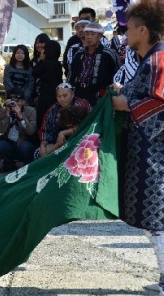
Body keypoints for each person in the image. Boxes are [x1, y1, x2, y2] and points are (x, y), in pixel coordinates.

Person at [111, 0, 164, 294]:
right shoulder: (150, 59)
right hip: (147, 152)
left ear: (142, 30)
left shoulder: (159, 60)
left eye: (129, 28)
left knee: (158, 220)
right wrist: (124, 91)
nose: (124, 33)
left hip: (156, 154)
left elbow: (159, 103)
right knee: (154, 220)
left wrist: (125, 103)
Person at [67, 22, 120, 107]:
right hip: (79, 92)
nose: (89, 37)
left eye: (93, 34)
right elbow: (71, 74)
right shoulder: (79, 53)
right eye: (87, 34)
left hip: (99, 94)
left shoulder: (108, 54)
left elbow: (118, 74)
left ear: (99, 36)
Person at [37, 83, 91, 158]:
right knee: (38, 153)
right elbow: (46, 131)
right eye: (59, 96)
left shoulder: (83, 104)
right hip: (57, 145)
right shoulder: (53, 110)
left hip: (80, 143)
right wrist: (43, 145)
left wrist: (64, 132)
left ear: (72, 94)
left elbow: (88, 124)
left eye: (65, 95)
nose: (62, 99)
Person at [0, 92, 36, 173]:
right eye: (12, 101)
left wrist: (20, 116)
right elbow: (1, 130)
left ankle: (28, 166)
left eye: (18, 101)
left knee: (25, 147)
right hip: (10, 142)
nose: (15, 103)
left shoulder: (31, 111)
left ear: (23, 102)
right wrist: (7, 114)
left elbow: (31, 131)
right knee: (1, 145)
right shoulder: (5, 110)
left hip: (24, 142)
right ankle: (9, 165)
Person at [33, 39, 63, 130]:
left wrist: (41, 60)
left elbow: (34, 72)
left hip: (45, 96)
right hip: (55, 95)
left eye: (44, 49)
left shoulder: (46, 64)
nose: (42, 51)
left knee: (43, 119)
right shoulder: (57, 64)